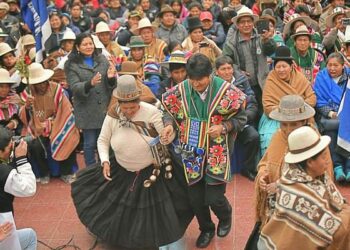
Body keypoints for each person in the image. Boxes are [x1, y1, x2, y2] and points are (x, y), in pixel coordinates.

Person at [71, 75, 192, 249]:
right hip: (121, 169)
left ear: (139, 101)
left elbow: (167, 134)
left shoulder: (151, 112)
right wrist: (105, 161)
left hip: (152, 171)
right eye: (125, 108)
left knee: (154, 213)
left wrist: (167, 134)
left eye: (133, 107)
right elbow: (103, 140)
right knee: (121, 210)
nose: (129, 111)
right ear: (118, 103)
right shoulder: (113, 115)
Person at [161, 54, 247, 248]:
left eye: (199, 79)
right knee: (195, 198)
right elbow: (168, 111)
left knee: (214, 197)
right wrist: (168, 125)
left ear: (210, 74)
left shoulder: (227, 91)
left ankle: (225, 215)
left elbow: (242, 119)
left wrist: (224, 127)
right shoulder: (183, 88)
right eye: (191, 78)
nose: (195, 83)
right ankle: (206, 228)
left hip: (217, 149)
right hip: (191, 147)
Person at [253, 95, 334, 244]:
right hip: (275, 210)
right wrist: (263, 174)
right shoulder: (277, 137)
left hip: (304, 212)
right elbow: (265, 162)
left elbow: (323, 180)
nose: (288, 129)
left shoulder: (315, 143)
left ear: (304, 121)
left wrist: (282, 186)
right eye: (284, 124)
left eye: (294, 124)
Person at [258, 126, 350, 250]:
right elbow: (335, 228)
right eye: (323, 157)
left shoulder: (317, 177)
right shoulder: (298, 193)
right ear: (310, 162)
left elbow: (337, 204)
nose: (327, 161)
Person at [19, 63, 80, 184]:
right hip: (36, 127)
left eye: (43, 81)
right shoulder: (27, 93)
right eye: (37, 83)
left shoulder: (56, 89)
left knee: (68, 137)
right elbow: (23, 117)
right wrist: (27, 106)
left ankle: (66, 172)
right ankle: (44, 173)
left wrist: (53, 124)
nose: (41, 85)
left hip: (58, 122)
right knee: (35, 145)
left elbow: (65, 110)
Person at [65, 33, 117, 167]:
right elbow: (74, 87)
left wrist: (111, 77)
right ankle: (91, 170)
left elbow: (111, 86)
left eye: (90, 43)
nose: (89, 46)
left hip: (104, 108)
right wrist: (89, 84)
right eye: (85, 44)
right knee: (89, 143)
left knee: (104, 141)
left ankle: (104, 168)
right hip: (86, 109)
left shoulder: (103, 60)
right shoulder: (71, 64)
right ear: (77, 47)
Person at [260, 46, 316, 156]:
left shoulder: (300, 77)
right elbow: (267, 107)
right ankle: (271, 168)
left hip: (301, 116)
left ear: (291, 66)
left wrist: (299, 108)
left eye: (284, 66)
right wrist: (285, 111)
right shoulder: (271, 79)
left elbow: (312, 98)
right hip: (275, 118)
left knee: (310, 137)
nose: (281, 70)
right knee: (269, 137)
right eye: (278, 67)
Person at [223, 8, 276, 113]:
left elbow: (271, 51)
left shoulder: (261, 36)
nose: (246, 24)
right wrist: (238, 71)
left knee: (264, 111)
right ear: (237, 25)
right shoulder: (231, 42)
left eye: (249, 21)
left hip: (262, 83)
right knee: (247, 112)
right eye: (242, 22)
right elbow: (226, 61)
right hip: (242, 85)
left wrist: (267, 40)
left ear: (253, 23)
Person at [215, 56, 259, 181]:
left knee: (253, 137)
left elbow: (252, 101)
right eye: (223, 69)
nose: (227, 72)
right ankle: (219, 171)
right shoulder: (213, 85)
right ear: (217, 71)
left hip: (241, 122)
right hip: (222, 125)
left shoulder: (241, 81)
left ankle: (248, 168)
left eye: (229, 68)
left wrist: (245, 117)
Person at [313, 52, 350, 182]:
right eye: (329, 65)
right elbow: (318, 100)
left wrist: (344, 113)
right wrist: (332, 113)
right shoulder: (321, 77)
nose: (332, 68)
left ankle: (349, 167)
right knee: (332, 131)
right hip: (329, 116)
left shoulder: (349, 76)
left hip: (348, 114)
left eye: (336, 65)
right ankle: (338, 166)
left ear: (343, 66)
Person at [0, 126, 37, 249]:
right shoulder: (3, 172)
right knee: (30, 237)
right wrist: (21, 160)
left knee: (29, 235)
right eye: (9, 146)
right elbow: (29, 188)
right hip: (2, 232)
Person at [0, 68, 21, 134]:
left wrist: (13, 122)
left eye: (7, 87)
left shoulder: (13, 99)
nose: (4, 90)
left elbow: (19, 117)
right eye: (1, 87)